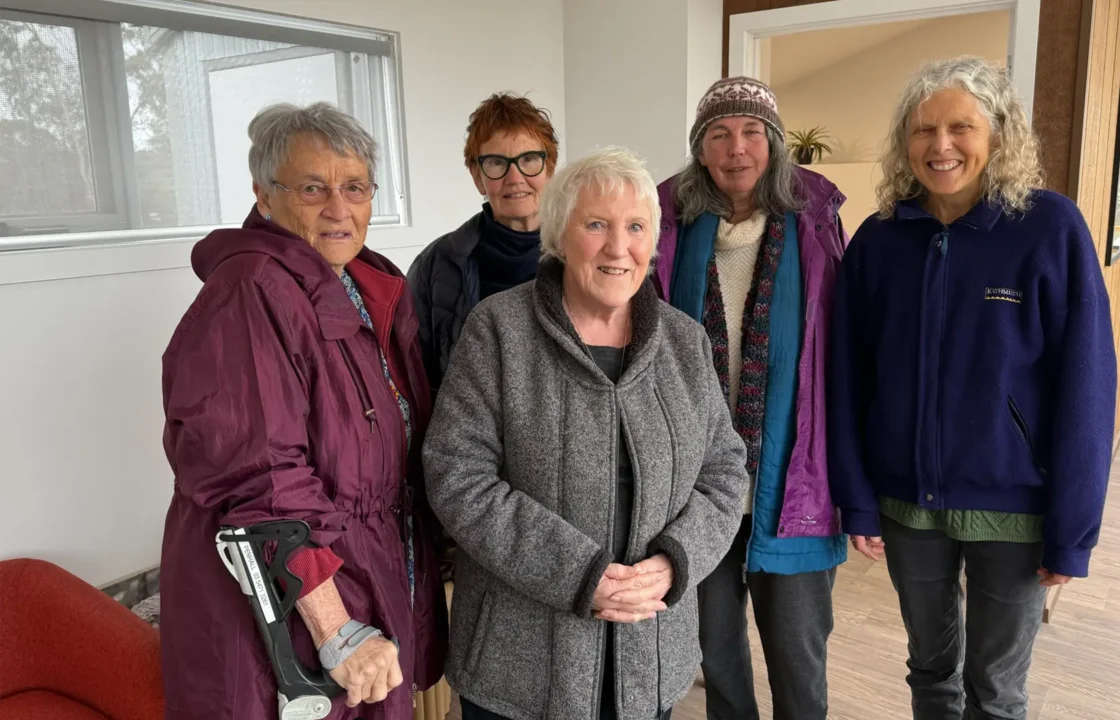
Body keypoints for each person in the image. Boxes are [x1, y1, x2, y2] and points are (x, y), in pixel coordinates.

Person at [828, 56, 1118, 720]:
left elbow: (1087, 389)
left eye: (962, 127)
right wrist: (859, 500)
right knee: (930, 671)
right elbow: (848, 376)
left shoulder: (1050, 229)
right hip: (908, 508)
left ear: (999, 135)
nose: (941, 146)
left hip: (1015, 510)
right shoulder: (879, 240)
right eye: (924, 130)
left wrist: (1072, 530)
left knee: (996, 688)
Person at [422, 147, 750, 720]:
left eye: (636, 227)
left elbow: (723, 471)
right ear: (560, 234)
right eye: (595, 224)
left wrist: (677, 561)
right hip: (518, 666)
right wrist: (580, 575)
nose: (617, 247)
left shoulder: (684, 342)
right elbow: (457, 475)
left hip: (650, 650)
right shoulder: (498, 330)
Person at [159, 102, 448, 720]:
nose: (338, 208)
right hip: (292, 603)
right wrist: (336, 630)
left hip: (363, 571)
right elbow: (260, 479)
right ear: (264, 197)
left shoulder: (364, 284)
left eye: (355, 187)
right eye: (313, 188)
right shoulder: (251, 291)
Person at [654, 76, 848, 720]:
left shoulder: (814, 224)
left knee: (797, 650)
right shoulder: (669, 228)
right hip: (696, 485)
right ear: (700, 148)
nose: (736, 148)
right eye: (719, 134)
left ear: (774, 144)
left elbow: (841, 349)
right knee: (714, 648)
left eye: (751, 132)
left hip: (793, 477)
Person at [409, 92, 559, 394]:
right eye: (496, 162)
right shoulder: (436, 264)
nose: (514, 177)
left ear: (550, 168)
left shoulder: (582, 256)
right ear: (478, 177)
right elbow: (417, 378)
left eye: (529, 159)